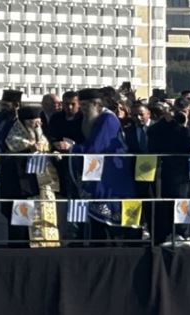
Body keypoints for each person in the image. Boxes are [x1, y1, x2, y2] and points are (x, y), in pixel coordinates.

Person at [54, 88, 134, 241]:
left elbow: (97, 147)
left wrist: (71, 148)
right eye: (81, 106)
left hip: (111, 172)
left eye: (85, 106)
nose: (82, 110)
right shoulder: (93, 119)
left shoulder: (107, 119)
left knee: (111, 217)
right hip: (100, 170)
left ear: (96, 104)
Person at [5, 106, 61, 247]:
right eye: (35, 122)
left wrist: (53, 155)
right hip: (23, 189)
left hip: (43, 188)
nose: (38, 125)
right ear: (25, 122)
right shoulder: (13, 140)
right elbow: (13, 162)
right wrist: (29, 149)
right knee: (21, 228)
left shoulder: (42, 137)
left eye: (40, 122)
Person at [147, 99, 190, 246]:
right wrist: (166, 121)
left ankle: (184, 234)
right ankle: (168, 233)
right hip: (165, 168)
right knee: (165, 202)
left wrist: (184, 126)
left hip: (184, 170)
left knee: (183, 200)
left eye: (184, 110)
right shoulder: (163, 126)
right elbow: (152, 137)